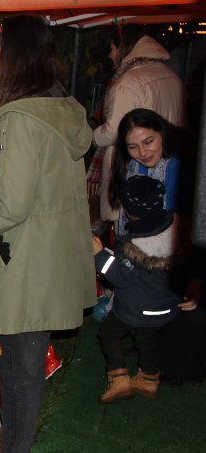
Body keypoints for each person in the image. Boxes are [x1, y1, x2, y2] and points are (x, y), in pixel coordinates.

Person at [0, 16, 95, 453]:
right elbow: (34, 189)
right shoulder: (57, 107)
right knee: (20, 366)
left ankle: (15, 446)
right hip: (42, 254)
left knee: (21, 371)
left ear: (15, 58)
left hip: (25, 261)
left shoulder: (21, 118)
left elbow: (12, 205)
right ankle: (12, 438)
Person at [108, 108, 203, 387]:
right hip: (144, 255)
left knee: (179, 309)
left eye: (148, 141)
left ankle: (179, 367)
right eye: (133, 146)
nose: (142, 152)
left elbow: (195, 225)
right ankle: (150, 352)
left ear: (162, 133)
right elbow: (125, 221)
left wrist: (196, 274)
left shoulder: (185, 167)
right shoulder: (130, 168)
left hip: (183, 255)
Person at [93, 175, 188, 403]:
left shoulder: (132, 246)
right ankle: (149, 379)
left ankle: (119, 379)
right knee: (147, 338)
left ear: (128, 210)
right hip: (166, 308)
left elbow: (119, 276)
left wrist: (99, 254)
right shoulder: (177, 227)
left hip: (135, 309)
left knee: (108, 334)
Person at [90, 24, 185, 223]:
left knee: (129, 223)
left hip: (135, 167)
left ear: (123, 47)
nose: (110, 55)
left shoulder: (128, 83)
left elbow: (114, 131)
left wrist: (92, 135)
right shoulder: (172, 75)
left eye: (112, 48)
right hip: (168, 161)